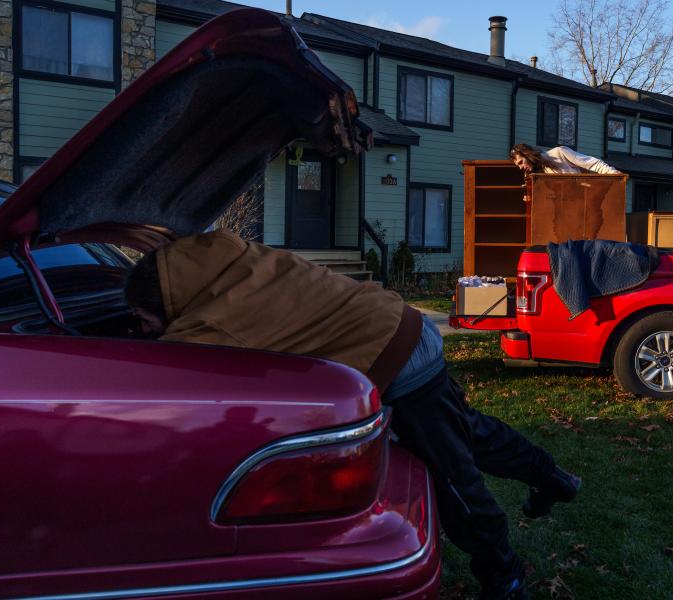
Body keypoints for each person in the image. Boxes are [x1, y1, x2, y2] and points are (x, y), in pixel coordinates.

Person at [124, 229, 582, 600]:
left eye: (143, 321)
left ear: (165, 302)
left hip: (395, 359)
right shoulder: (229, 258)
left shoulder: (205, 325)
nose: (143, 331)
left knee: (453, 480)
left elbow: (174, 378)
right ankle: (552, 478)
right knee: (471, 432)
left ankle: (506, 579)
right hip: (402, 325)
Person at [510, 142, 621, 176]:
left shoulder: (559, 153)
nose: (520, 167)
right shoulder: (534, 175)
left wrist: (613, 173)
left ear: (527, 154)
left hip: (581, 202)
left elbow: (591, 163)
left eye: (521, 162)